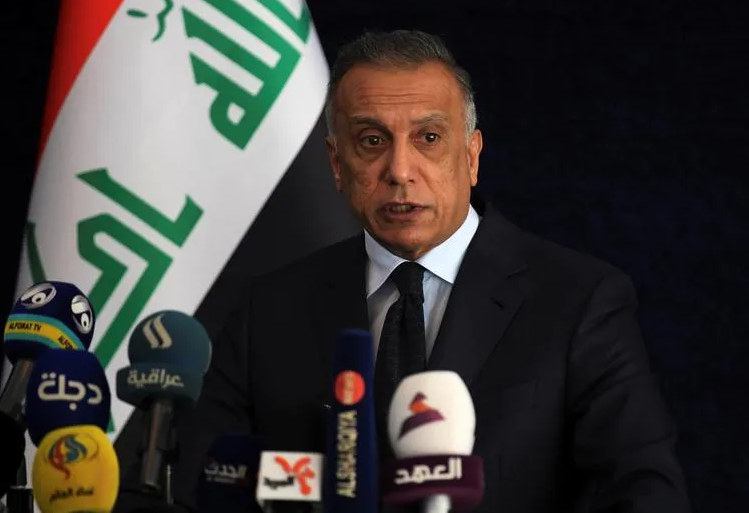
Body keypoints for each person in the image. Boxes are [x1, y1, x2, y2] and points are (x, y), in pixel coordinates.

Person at [170, 29, 691, 511]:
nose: (400, 171)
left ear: (471, 157)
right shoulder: (269, 310)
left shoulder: (580, 301)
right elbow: (197, 490)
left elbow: (645, 493)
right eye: (372, 140)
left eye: (429, 138)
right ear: (336, 163)